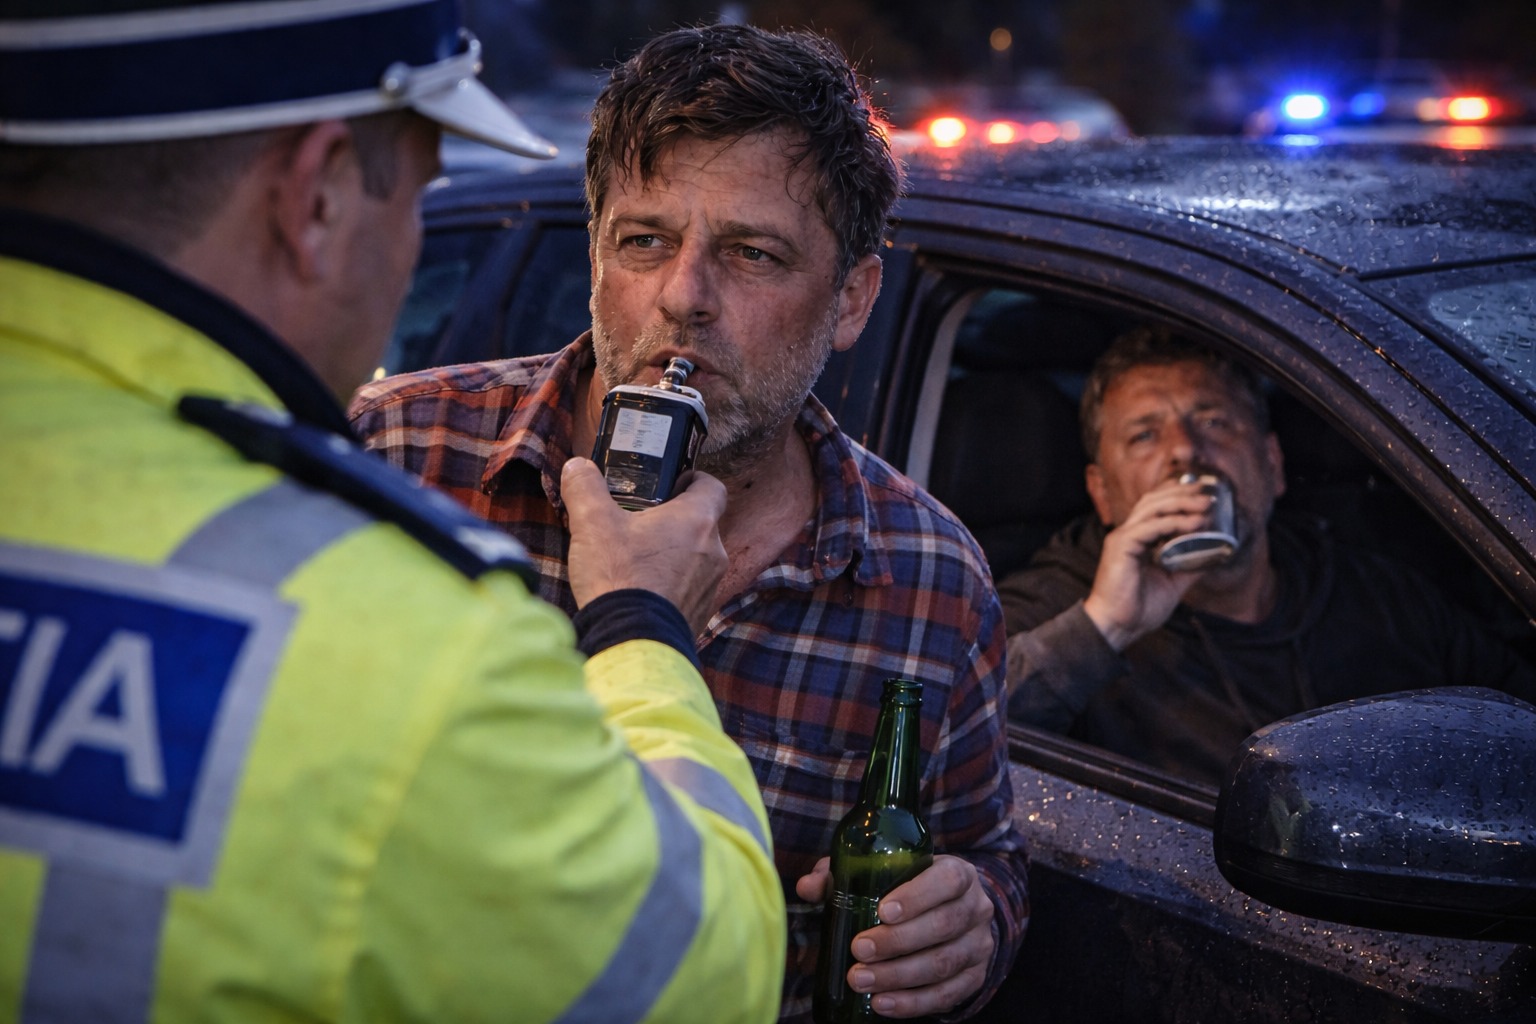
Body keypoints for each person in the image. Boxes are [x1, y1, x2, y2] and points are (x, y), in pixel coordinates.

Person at [0, 2, 785, 1021]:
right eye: (419, 190)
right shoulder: (418, 654)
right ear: (320, 195)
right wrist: (641, 631)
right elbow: (707, 978)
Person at [350, 23, 1028, 1022]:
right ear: (595, 255)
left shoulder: (927, 578)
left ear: (852, 300)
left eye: (752, 253)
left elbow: (983, 853)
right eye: (645, 241)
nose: (684, 297)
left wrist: (973, 921)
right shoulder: (398, 454)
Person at [998, 326, 1536, 788]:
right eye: (1144, 435)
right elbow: (957, 735)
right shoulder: (1059, 601)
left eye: (1214, 421)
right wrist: (1106, 626)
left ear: (1273, 464)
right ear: (1102, 494)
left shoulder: (1372, 591)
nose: (1185, 449)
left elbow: (1515, 706)